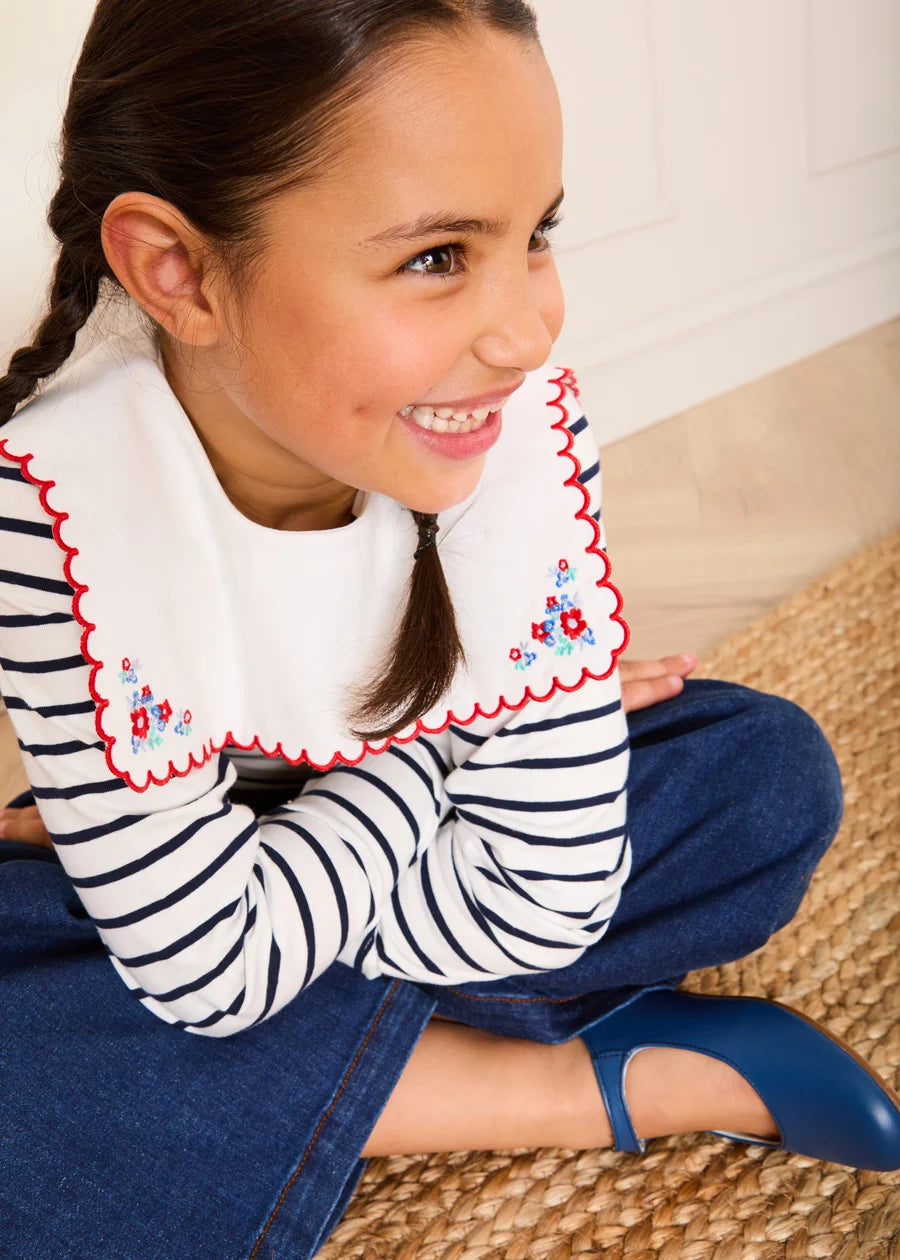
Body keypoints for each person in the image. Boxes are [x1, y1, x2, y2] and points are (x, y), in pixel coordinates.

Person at [0, 1, 897, 1255]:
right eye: (436, 257)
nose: (528, 328)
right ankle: (568, 1083)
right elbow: (205, 973)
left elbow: (543, 902)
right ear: (179, 270)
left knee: (760, 782)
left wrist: (265, 878)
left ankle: (291, 1068)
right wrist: (457, 744)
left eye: (537, 234)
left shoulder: (494, 417)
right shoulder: (66, 504)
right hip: (312, 874)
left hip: (306, 876)